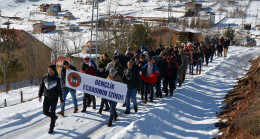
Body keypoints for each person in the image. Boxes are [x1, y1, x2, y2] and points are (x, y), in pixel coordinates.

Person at [38, 65, 64, 134]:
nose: (49, 71)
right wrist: (40, 95)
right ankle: (54, 117)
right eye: (48, 70)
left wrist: (61, 99)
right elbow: (42, 87)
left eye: (51, 70)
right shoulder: (44, 77)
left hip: (54, 98)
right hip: (46, 98)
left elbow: (60, 90)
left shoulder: (57, 79)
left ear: (54, 70)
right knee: (45, 112)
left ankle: (51, 127)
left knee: (52, 112)